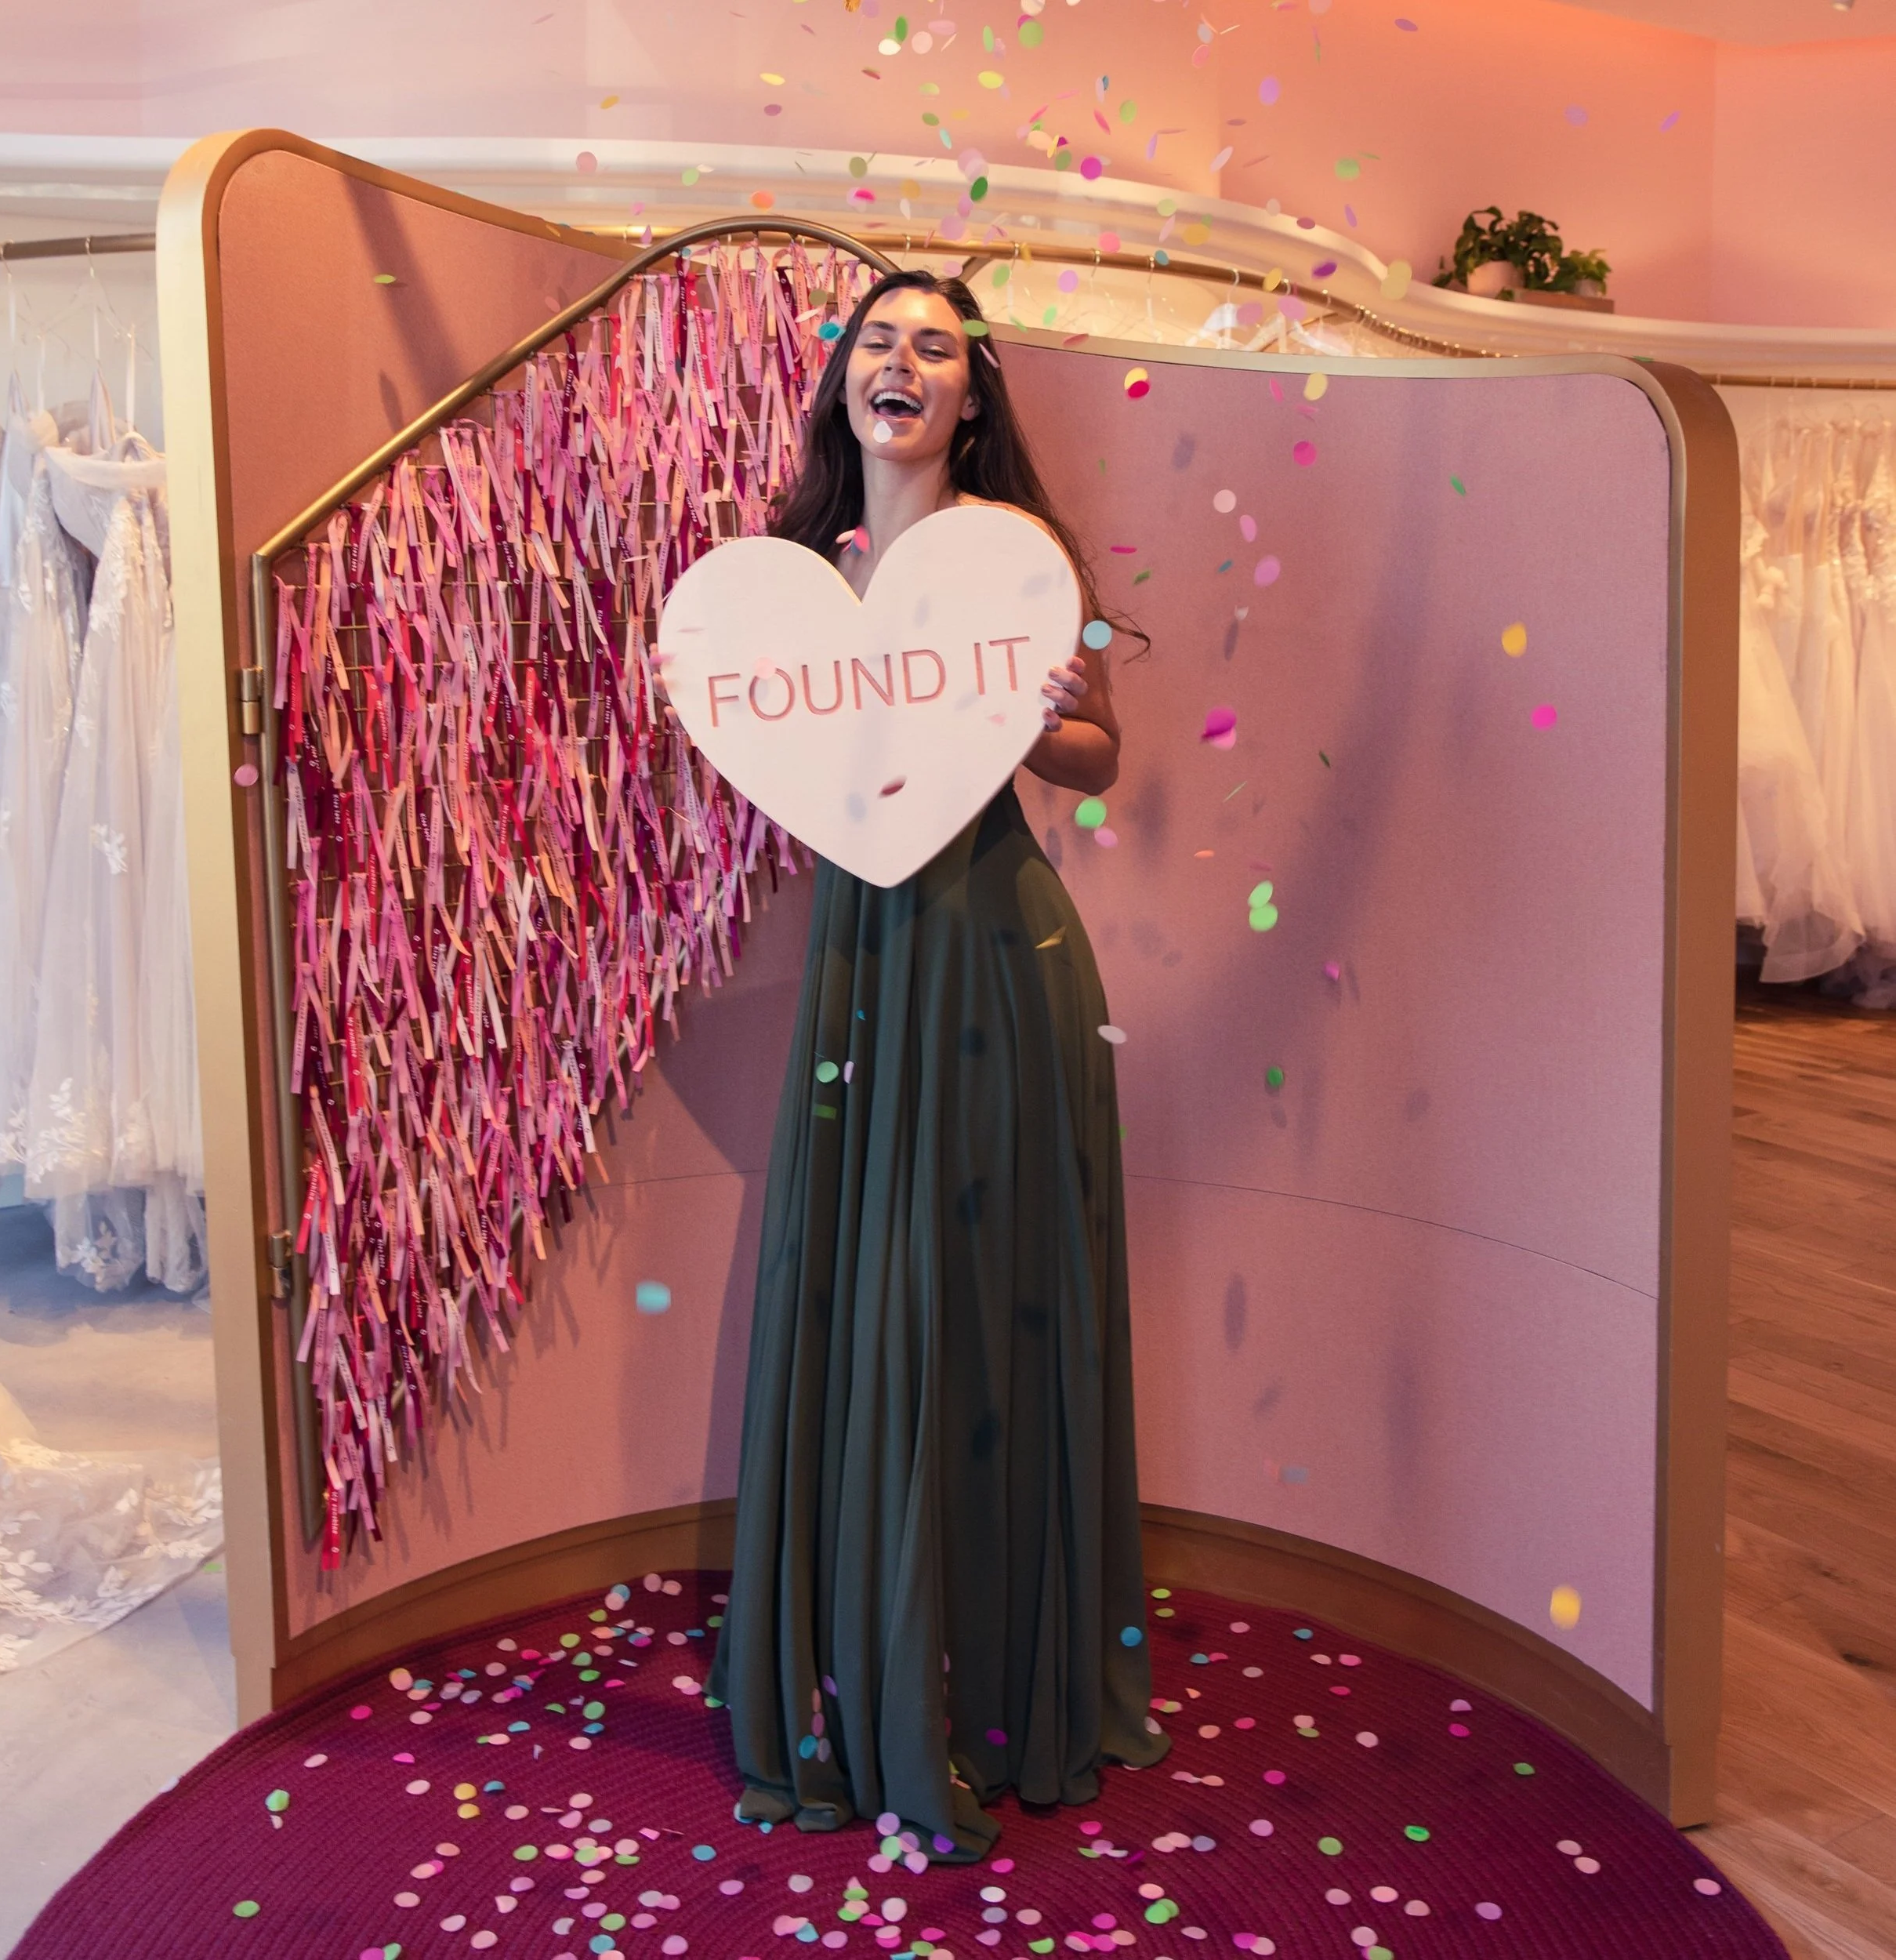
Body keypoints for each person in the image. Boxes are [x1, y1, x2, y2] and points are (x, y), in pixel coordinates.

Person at [705, 270, 1169, 1864]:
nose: (897, 361)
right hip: (857, 974)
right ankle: (865, 1659)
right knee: (864, 1293)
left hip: (991, 963)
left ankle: (973, 1675)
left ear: (970, 396)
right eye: (875, 338)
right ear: (843, 379)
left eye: (934, 345)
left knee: (965, 1305)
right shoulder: (797, 577)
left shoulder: (1017, 557)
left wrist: (1047, 724)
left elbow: (1097, 756)